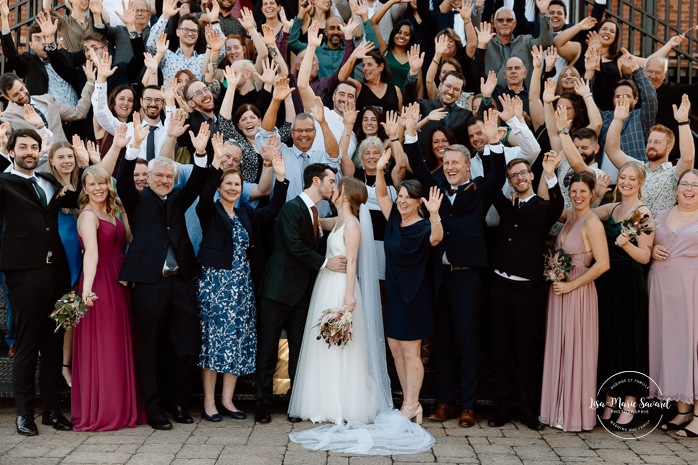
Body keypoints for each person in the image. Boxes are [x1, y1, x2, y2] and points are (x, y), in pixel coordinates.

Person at [404, 105, 505, 428]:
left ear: (467, 166)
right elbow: (419, 168)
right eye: (445, 163)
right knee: (442, 340)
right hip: (439, 276)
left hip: (468, 277)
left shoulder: (479, 192)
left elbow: (497, 175)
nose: (449, 167)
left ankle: (469, 405)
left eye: (455, 163)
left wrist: (492, 144)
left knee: (467, 339)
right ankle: (445, 401)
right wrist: (409, 135)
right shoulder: (435, 190)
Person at [116, 123, 210, 430]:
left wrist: (199, 153)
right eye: (159, 176)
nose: (165, 181)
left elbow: (198, 181)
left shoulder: (179, 199)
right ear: (149, 178)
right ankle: (153, 408)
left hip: (181, 282)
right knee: (152, 347)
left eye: (169, 177)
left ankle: (179, 402)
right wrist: (133, 148)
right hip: (149, 283)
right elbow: (124, 180)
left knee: (186, 345)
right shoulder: (136, 199)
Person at [196, 140, 288, 423]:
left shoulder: (246, 213)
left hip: (242, 287)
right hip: (215, 285)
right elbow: (202, 195)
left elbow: (272, 211)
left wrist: (281, 179)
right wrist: (215, 161)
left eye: (237, 184)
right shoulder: (209, 211)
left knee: (235, 341)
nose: (233, 188)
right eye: (228, 184)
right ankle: (210, 403)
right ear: (220, 187)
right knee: (213, 343)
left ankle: (228, 400)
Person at [0, 129, 78, 436]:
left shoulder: (50, 181)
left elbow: (79, 194)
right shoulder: (4, 183)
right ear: (12, 151)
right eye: (23, 147)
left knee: (54, 345)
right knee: (28, 345)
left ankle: (52, 411)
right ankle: (24, 414)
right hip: (24, 273)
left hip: (56, 273)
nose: (30, 151)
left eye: (34, 147)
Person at [255, 163, 345, 424]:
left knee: (299, 350)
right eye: (331, 181)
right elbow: (293, 246)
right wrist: (326, 263)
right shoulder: (292, 208)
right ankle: (262, 404)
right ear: (316, 181)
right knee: (268, 349)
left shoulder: (315, 212)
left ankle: (296, 403)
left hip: (302, 293)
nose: (333, 186)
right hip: (277, 290)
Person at [288, 177, 377, 423]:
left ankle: (340, 404)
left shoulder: (352, 225)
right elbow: (317, 220)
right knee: (323, 342)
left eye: (337, 187)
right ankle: (321, 402)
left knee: (339, 344)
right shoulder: (339, 221)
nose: (332, 189)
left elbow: (352, 263)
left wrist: (348, 295)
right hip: (325, 284)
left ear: (346, 196)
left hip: (340, 287)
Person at [488, 154, 564, 431]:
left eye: (522, 173)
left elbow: (558, 204)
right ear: (509, 182)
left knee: (526, 351)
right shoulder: (507, 206)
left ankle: (528, 408)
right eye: (513, 176)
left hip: (527, 290)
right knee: (500, 349)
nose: (518, 178)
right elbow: (490, 185)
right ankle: (503, 406)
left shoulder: (544, 207)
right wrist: (494, 147)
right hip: (499, 286)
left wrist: (550, 174)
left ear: (531, 176)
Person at [71, 166, 144, 431]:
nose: (98, 188)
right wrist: (87, 291)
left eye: (102, 183)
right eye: (92, 184)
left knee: (119, 342)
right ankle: (104, 409)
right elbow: (90, 253)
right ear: (85, 188)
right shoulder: (88, 216)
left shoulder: (111, 210)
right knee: (104, 345)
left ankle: (123, 408)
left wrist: (123, 210)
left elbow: (127, 238)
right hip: (99, 280)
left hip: (118, 278)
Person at [375, 148, 443, 423]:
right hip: (394, 292)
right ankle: (409, 402)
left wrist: (436, 214)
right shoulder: (393, 219)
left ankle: (412, 404)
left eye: (407, 198)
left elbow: (437, 239)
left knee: (411, 350)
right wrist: (380, 170)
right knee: (394, 348)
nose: (402, 201)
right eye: (400, 196)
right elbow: (381, 195)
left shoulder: (425, 226)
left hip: (415, 295)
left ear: (418, 202)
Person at [540, 171, 610, 432]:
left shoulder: (592, 222)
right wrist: (548, 175)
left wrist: (571, 284)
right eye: (574, 191)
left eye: (583, 191)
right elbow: (545, 202)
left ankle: (573, 413)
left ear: (593, 193)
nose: (578, 196)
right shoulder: (570, 216)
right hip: (559, 290)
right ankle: (554, 407)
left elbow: (603, 264)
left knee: (576, 349)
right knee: (559, 346)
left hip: (578, 290)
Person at [592, 161, 654, 428]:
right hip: (606, 284)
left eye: (631, 179)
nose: (626, 182)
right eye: (623, 178)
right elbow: (582, 214)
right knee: (608, 339)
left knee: (628, 342)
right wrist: (594, 193)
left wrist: (627, 244)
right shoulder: (613, 208)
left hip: (629, 284)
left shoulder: (643, 213)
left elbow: (645, 256)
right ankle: (608, 400)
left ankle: (630, 402)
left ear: (640, 183)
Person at [648, 169, 698, 438]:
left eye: (695, 185)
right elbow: (647, 242)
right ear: (676, 188)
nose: (689, 189)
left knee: (694, 348)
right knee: (674, 347)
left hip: (692, 290)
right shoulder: (661, 215)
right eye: (684, 184)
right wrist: (653, 249)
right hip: (661, 290)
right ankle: (682, 410)